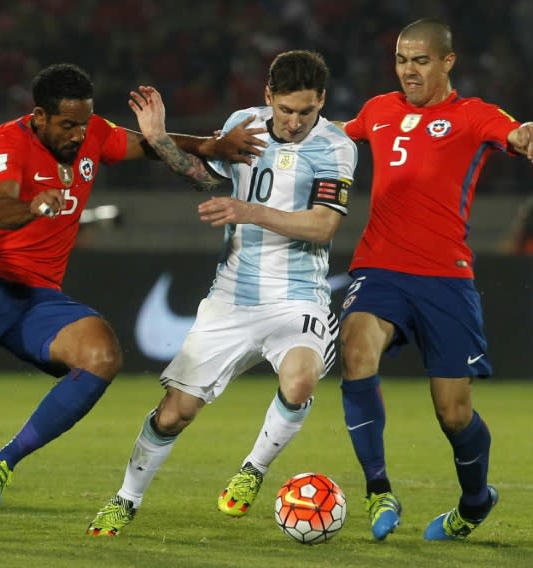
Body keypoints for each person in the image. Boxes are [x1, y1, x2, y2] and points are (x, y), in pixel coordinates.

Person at [0, 62, 266, 532]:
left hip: (37, 295)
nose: (78, 134)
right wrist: (31, 207)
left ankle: (0, 461)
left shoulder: (93, 135)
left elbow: (144, 145)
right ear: (39, 116)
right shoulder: (6, 141)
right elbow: (0, 208)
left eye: (83, 123)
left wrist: (209, 145)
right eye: (67, 125)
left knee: (101, 355)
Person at [87, 50, 358, 537]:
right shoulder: (243, 126)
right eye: (286, 110)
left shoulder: (336, 147)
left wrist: (249, 210)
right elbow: (208, 182)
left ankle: (252, 470)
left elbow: (323, 226)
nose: (295, 123)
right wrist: (159, 141)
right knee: (174, 415)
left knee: (299, 381)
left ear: (322, 101)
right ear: (268, 96)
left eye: (307, 112)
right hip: (232, 295)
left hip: (299, 296)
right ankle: (124, 500)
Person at [335, 18, 533, 542]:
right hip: (380, 266)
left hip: (444, 277)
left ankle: (475, 502)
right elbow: (323, 142)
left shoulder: (472, 116)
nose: (408, 70)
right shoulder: (377, 111)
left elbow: (530, 139)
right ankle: (378, 489)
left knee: (453, 413)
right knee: (355, 351)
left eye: (420, 60)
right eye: (401, 59)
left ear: (447, 62)